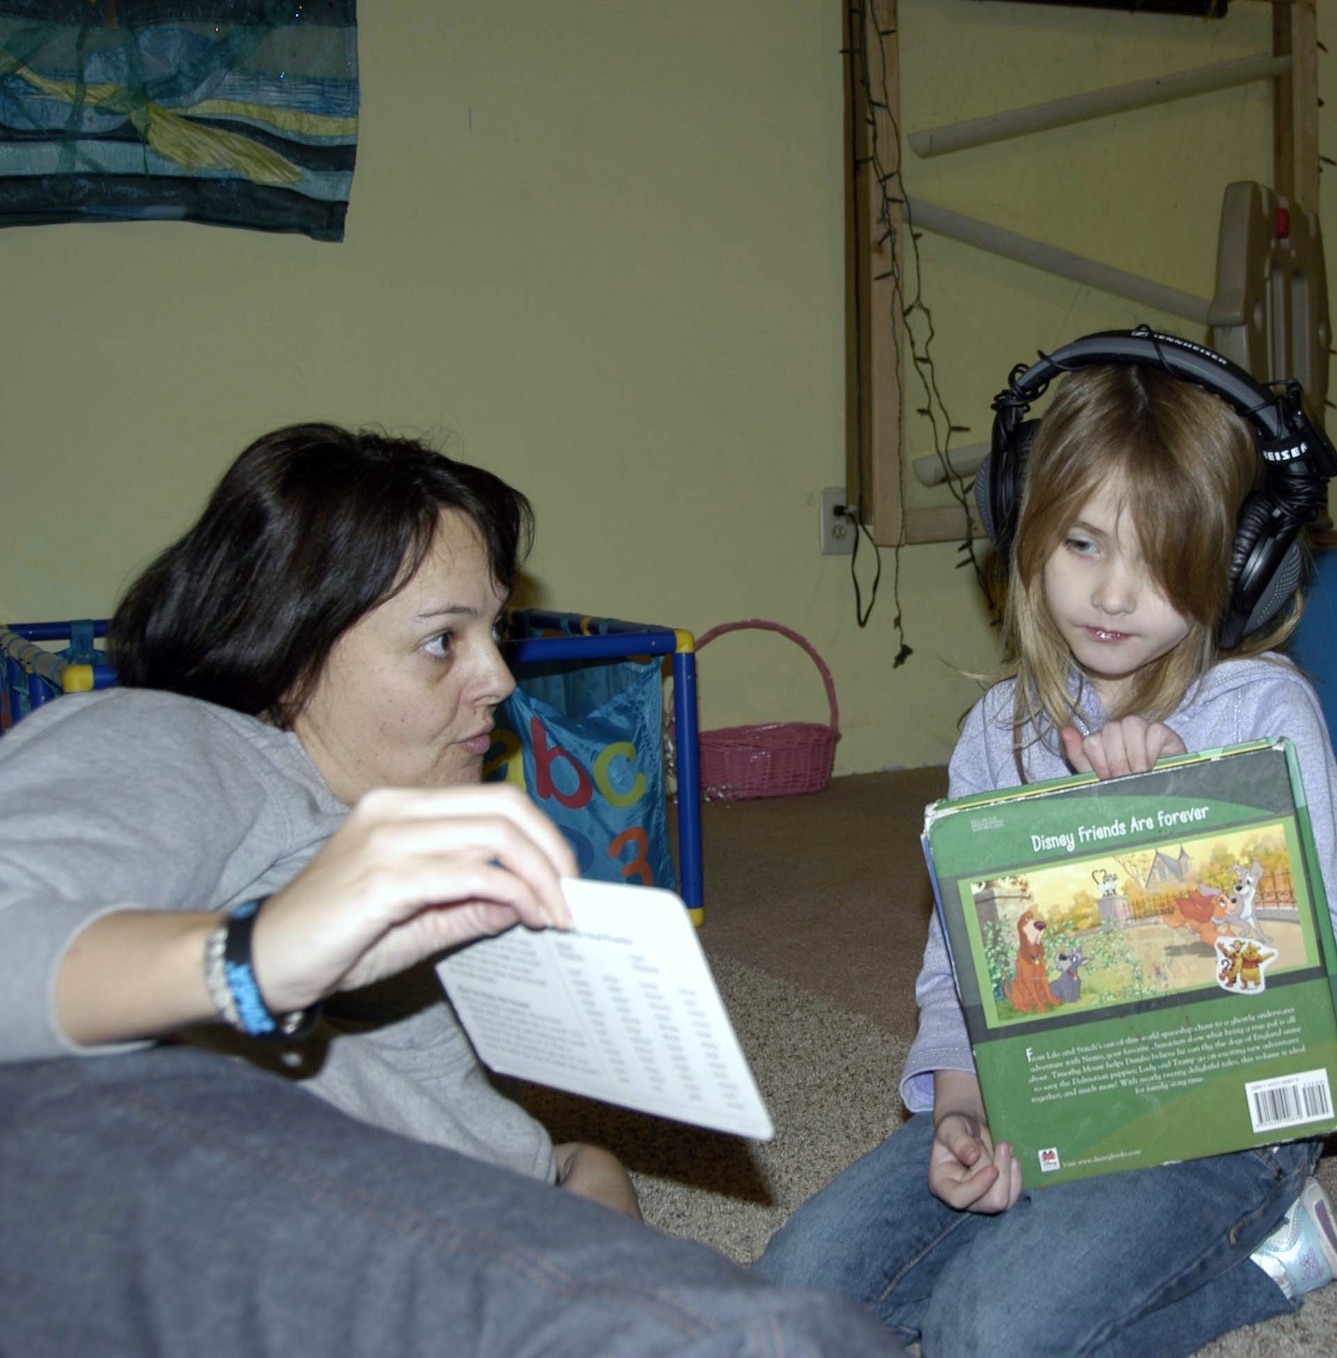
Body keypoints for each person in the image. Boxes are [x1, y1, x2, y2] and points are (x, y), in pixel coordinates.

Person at [0, 423, 902, 1356]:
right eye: (442, 641)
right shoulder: (178, 742)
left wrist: (576, 1179)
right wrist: (257, 957)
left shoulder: (393, 828)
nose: (500, 679)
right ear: (285, 647)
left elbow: (427, 1114)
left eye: (494, 631)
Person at [756, 347, 1337, 1356]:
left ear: (1237, 561)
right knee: (788, 1295)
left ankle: (1268, 1258)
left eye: (1160, 556)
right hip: (1035, 1093)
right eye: (1082, 542)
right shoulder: (996, 730)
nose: (1114, 594)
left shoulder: (1264, 710)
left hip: (1212, 1115)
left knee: (987, 1333)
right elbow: (961, 961)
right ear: (1023, 527)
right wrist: (958, 1110)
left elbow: (1329, 962)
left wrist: (1177, 820)